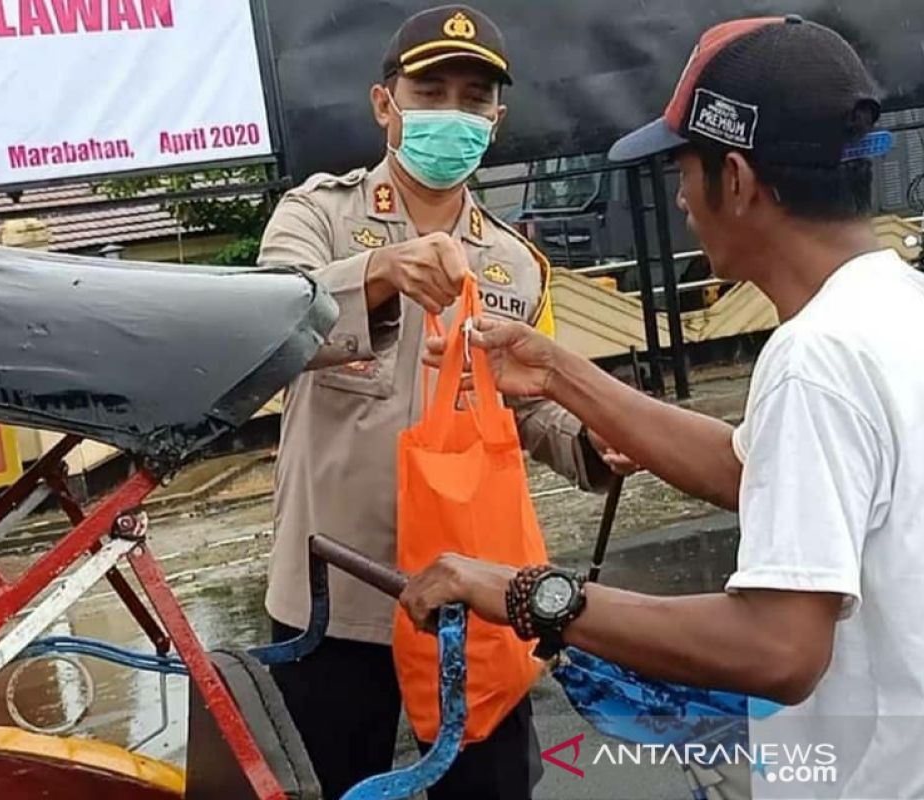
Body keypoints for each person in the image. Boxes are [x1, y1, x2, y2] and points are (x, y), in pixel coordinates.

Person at [400, 14, 924, 800]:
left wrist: (525, 592)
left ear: (738, 181)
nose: (680, 198)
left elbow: (779, 651)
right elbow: (749, 469)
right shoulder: (892, 306)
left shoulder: (815, 358)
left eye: (684, 169)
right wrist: (556, 371)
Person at [256, 5, 624, 798]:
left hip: (476, 593)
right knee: (326, 784)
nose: (452, 113)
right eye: (431, 90)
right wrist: (380, 275)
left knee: (489, 788)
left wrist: (595, 443)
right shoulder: (317, 215)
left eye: (473, 97)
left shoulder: (517, 266)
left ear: (497, 119)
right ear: (385, 104)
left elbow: (527, 408)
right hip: (335, 593)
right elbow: (269, 324)